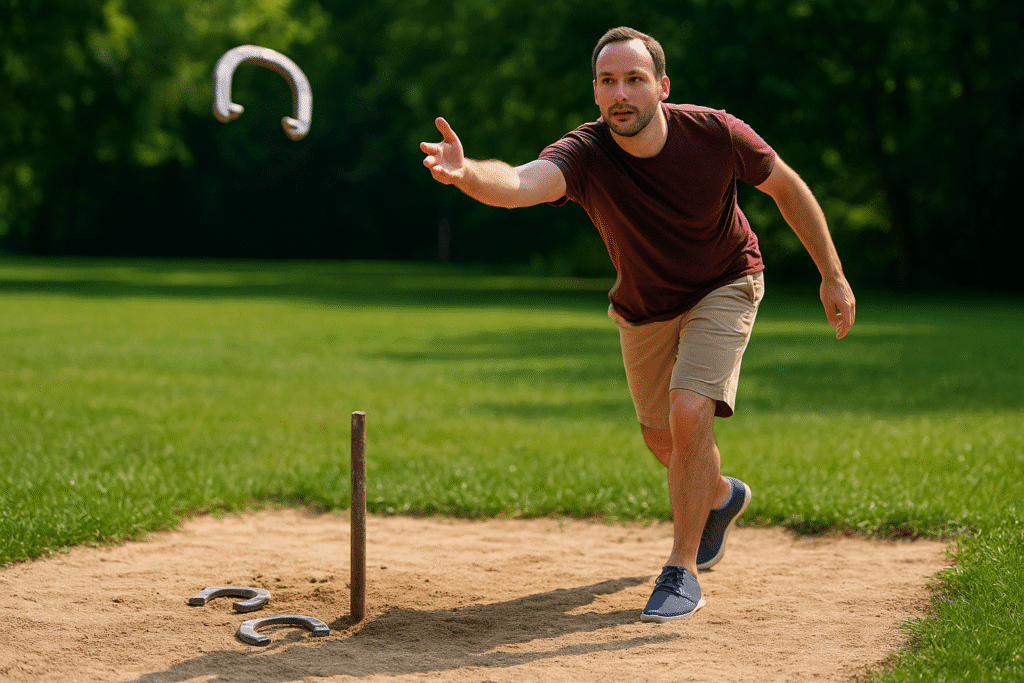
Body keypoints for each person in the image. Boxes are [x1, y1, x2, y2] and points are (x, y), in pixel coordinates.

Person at [420, 26, 856, 622]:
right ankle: (721, 498)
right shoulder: (585, 152)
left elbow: (788, 188)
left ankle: (681, 570)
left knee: (689, 407)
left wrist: (831, 275)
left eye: (633, 79)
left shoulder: (714, 132)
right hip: (644, 305)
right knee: (665, 442)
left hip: (725, 282)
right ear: (596, 93)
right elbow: (523, 182)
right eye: (607, 82)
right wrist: (466, 172)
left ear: (662, 86)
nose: (620, 92)